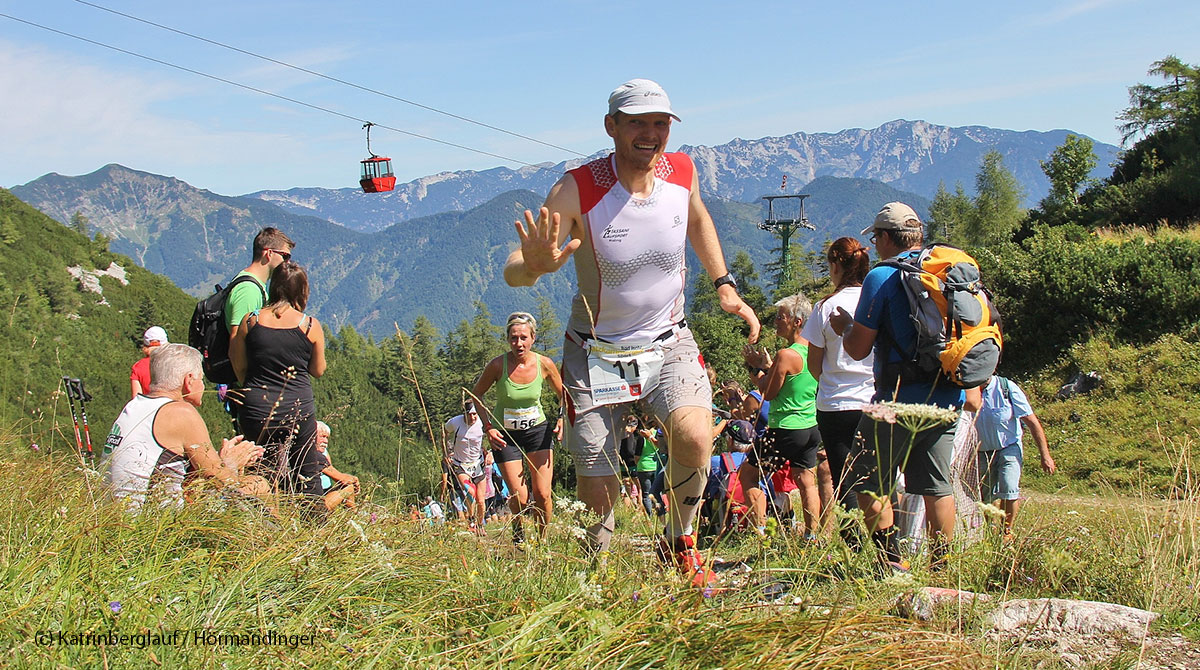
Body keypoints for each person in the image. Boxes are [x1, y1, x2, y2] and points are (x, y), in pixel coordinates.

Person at [503, 78, 760, 585]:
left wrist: (724, 284)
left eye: (660, 123)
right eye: (637, 122)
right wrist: (531, 267)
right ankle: (596, 579)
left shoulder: (683, 171)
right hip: (595, 352)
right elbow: (517, 265)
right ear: (611, 127)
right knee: (600, 492)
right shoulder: (579, 187)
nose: (650, 134)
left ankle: (678, 541)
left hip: (669, 339)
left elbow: (697, 218)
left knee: (693, 435)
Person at [831, 202, 982, 570]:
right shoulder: (949, 271)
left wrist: (846, 328)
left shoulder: (881, 277)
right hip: (947, 396)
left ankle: (891, 563)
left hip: (893, 400)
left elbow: (858, 348)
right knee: (936, 486)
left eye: (876, 238)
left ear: (885, 237)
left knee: (863, 478)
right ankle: (941, 570)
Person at [102, 343, 268, 511]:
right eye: (201, 379)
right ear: (189, 380)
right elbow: (224, 483)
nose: (203, 386)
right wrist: (232, 462)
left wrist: (218, 461)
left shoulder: (134, 406)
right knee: (259, 484)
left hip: (118, 519)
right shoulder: (181, 413)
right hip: (152, 526)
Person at [229, 261, 327, 511]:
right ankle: (314, 530)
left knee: (259, 468)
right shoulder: (309, 325)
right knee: (306, 472)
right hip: (298, 408)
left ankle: (254, 520)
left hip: (256, 407)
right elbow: (318, 370)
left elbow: (238, 363)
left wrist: (254, 386)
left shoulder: (250, 321)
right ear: (302, 291)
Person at [800, 237, 874, 534]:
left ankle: (854, 547)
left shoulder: (826, 307)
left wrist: (831, 378)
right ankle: (888, 549)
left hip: (836, 404)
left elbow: (814, 364)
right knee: (879, 477)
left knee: (845, 479)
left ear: (835, 266)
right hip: (876, 400)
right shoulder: (875, 301)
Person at [471, 311, 564, 545]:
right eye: (513, 338)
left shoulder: (545, 364)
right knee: (520, 498)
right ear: (507, 339)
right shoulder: (497, 365)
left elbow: (564, 395)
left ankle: (543, 541)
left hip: (537, 432)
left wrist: (562, 418)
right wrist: (488, 427)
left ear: (533, 338)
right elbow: (477, 394)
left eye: (523, 337)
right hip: (505, 436)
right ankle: (519, 532)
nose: (518, 343)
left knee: (542, 494)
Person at [740, 294, 823, 540]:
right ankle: (811, 537)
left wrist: (758, 368)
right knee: (806, 480)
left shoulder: (786, 354)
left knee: (748, 474)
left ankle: (761, 532)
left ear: (797, 321)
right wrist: (767, 367)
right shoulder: (815, 351)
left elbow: (769, 392)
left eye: (781, 317)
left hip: (784, 428)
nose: (776, 321)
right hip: (810, 426)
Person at [975, 375, 1056, 537]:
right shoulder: (968, 389)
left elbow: (1032, 422)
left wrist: (1045, 455)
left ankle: (1006, 533)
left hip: (1009, 447)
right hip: (981, 451)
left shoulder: (1007, 388)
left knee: (1009, 487)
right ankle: (989, 532)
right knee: (985, 495)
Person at [226, 228, 295, 343]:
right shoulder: (248, 290)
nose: (288, 263)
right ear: (269, 253)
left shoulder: (255, 286)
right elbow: (237, 340)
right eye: (285, 256)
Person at [443, 401, 492, 534]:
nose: (472, 418)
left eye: (475, 414)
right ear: (464, 413)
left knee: (481, 500)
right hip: (461, 465)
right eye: (469, 414)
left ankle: (480, 525)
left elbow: (493, 435)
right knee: (471, 492)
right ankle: (471, 520)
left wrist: (490, 454)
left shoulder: (482, 422)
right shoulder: (455, 422)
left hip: (477, 464)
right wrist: (446, 453)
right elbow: (444, 432)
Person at [314, 421, 360, 512]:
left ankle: (352, 515)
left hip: (322, 492)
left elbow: (331, 470)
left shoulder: (322, 453)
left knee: (347, 484)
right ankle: (353, 515)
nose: (326, 441)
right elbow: (342, 479)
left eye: (327, 438)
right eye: (322, 437)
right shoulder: (315, 456)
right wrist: (354, 480)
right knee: (349, 487)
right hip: (316, 504)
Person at [130, 326, 168, 398]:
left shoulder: (138, 367)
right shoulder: (175, 362)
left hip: (149, 408)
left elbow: (136, 398)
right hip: (172, 407)